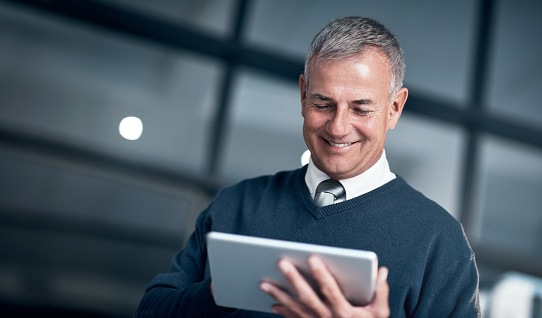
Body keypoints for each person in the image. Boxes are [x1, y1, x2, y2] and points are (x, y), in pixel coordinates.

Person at [134, 16, 481, 317]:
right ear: (303, 95)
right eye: (322, 103)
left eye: (361, 109)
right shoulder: (235, 205)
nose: (338, 127)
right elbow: (151, 311)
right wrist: (220, 293)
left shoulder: (439, 242)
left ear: (394, 108)